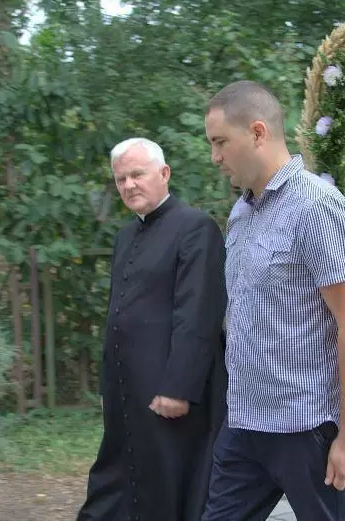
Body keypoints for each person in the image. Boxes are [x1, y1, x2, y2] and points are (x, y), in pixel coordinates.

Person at [200, 80, 345, 521]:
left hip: (306, 429)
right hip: (244, 424)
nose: (215, 157)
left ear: (257, 132)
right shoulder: (242, 212)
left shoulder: (317, 208)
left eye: (220, 142)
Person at [76, 137, 228, 521]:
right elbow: (117, 314)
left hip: (172, 393)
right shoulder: (125, 236)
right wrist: (109, 385)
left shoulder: (196, 228)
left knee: (169, 486)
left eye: (137, 174)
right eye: (121, 179)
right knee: (117, 483)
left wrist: (179, 388)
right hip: (128, 392)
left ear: (164, 173)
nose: (129, 185)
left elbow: (198, 313)